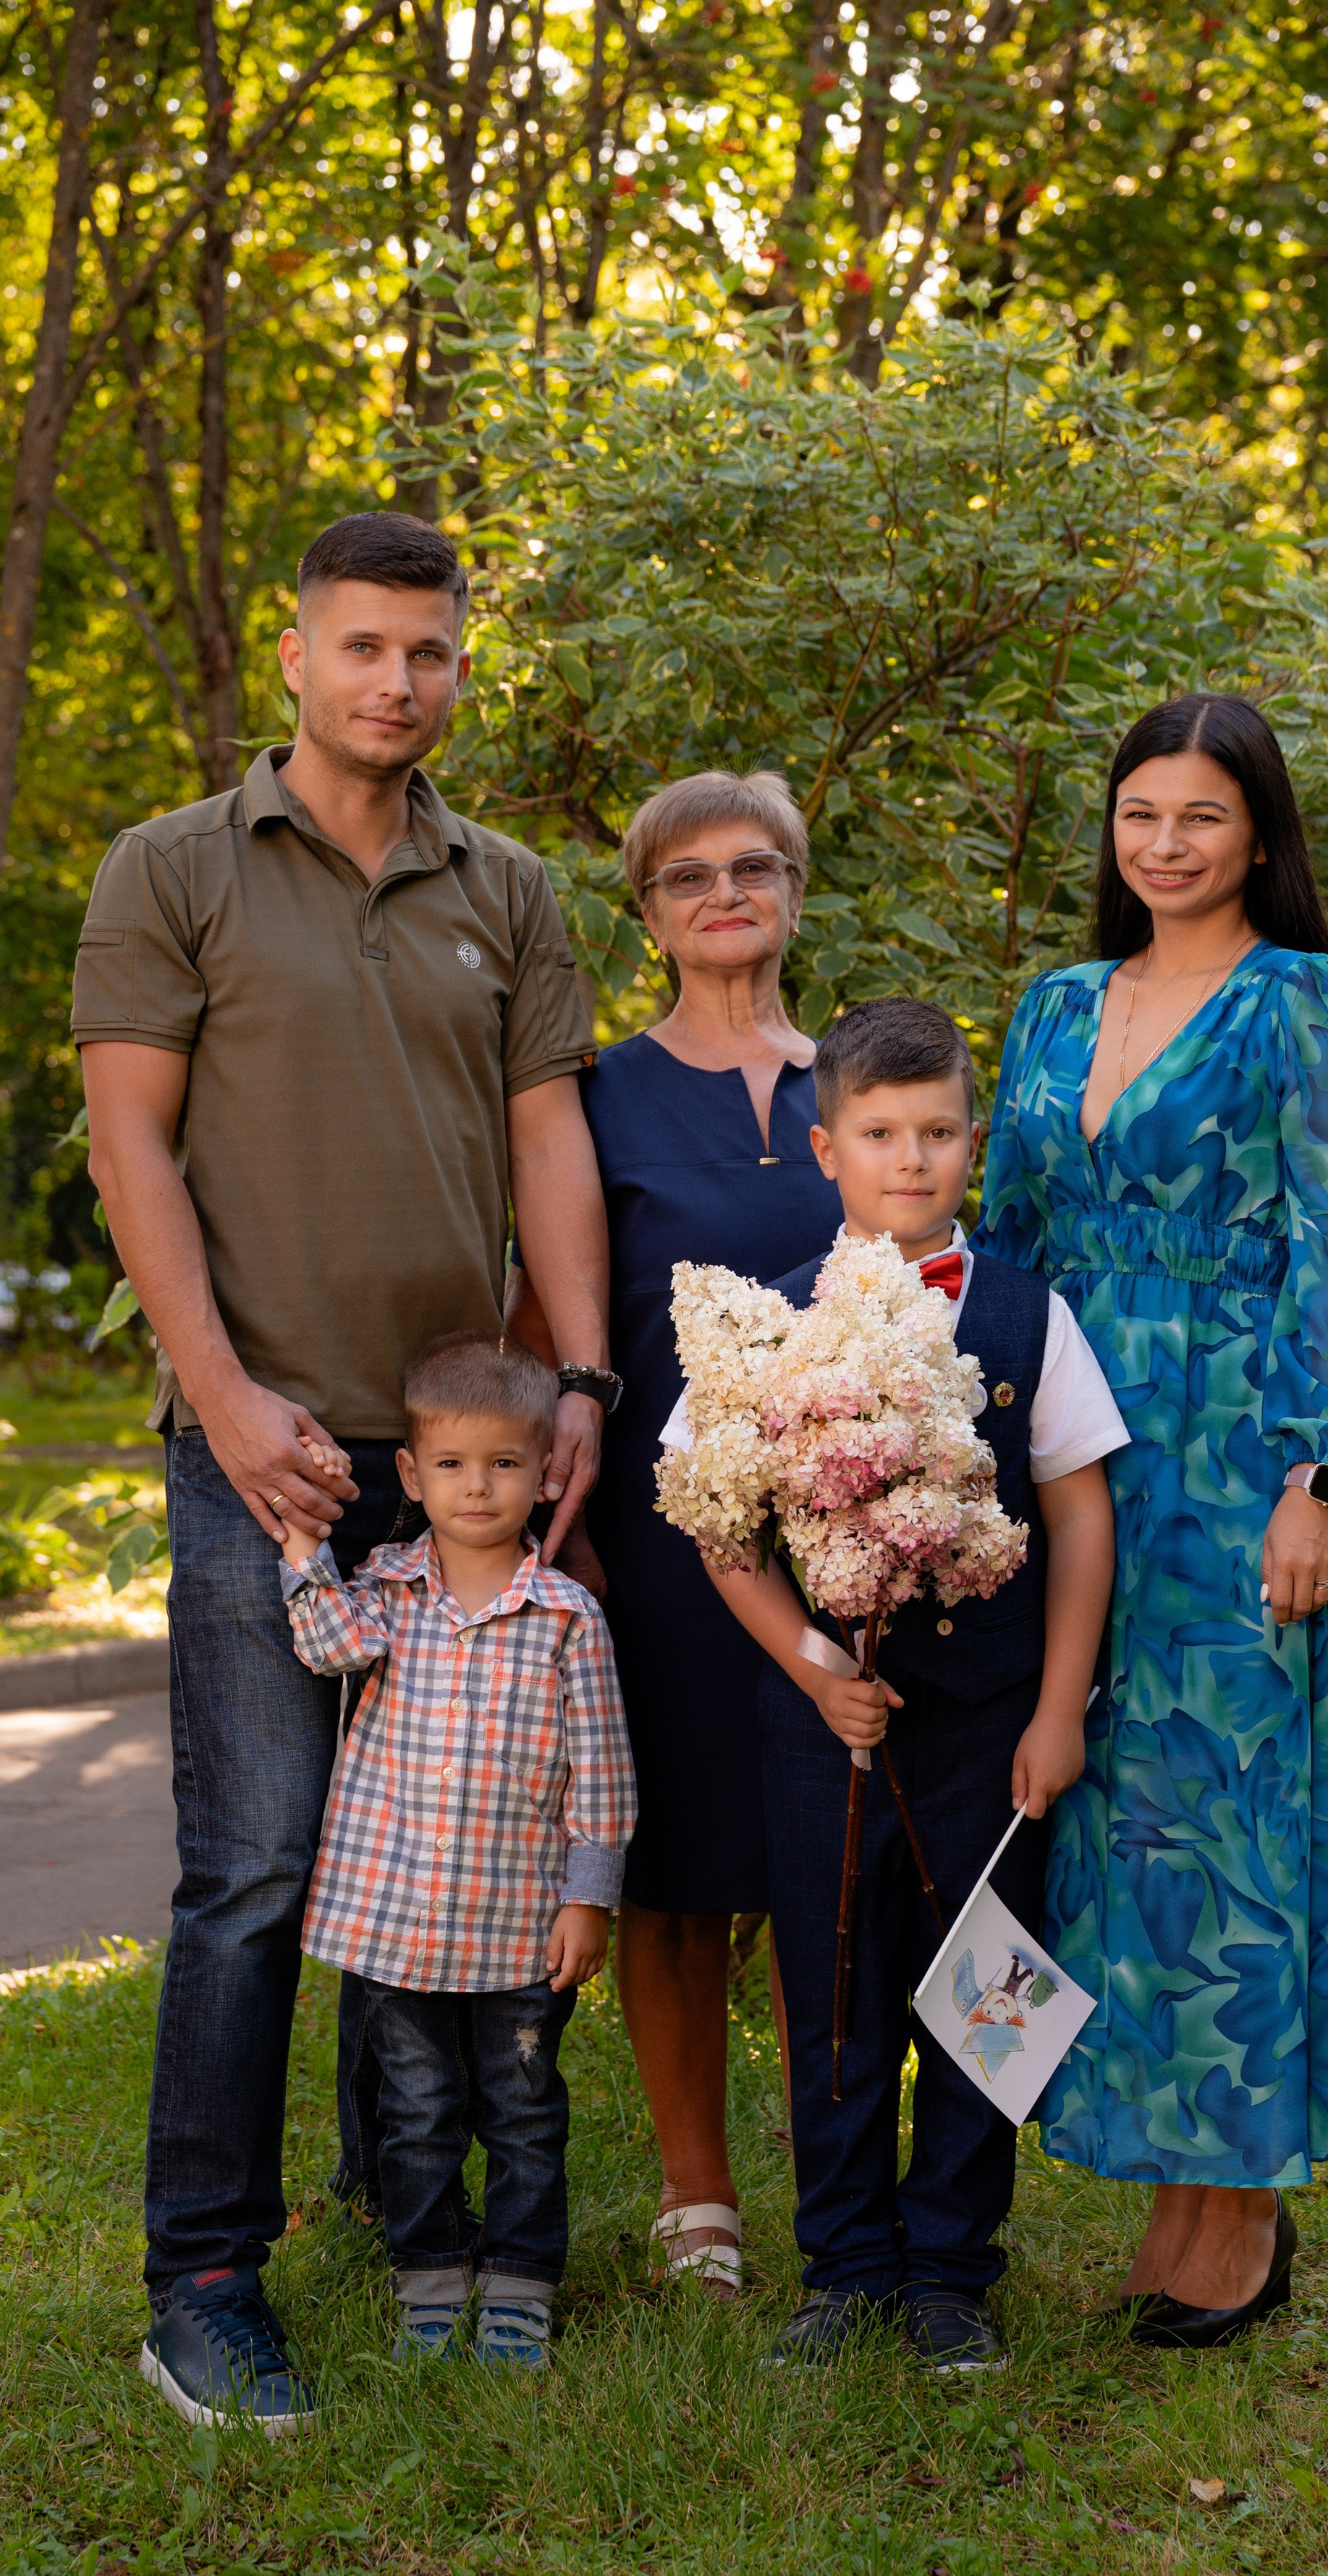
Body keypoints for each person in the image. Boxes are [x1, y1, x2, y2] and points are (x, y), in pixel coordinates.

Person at [73, 512, 617, 2429]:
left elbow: (549, 1145)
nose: (400, 682)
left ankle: (420, 2222)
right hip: (270, 1454)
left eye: (433, 654)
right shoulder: (174, 875)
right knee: (260, 1873)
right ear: (290, 657)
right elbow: (133, 1155)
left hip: (468, 1455)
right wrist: (221, 1399)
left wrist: (578, 1390)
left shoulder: (513, 890)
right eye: (367, 648)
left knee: (452, 1862)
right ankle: (202, 2280)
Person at [973, 689, 1328, 2350]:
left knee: (1221, 1818)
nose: (1162, 843)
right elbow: (1000, 1238)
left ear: (1259, 837)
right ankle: (1163, 2180)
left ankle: (1239, 2207)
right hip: (1068, 1451)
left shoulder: (1301, 1003)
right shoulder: (1056, 1003)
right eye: (1137, 812)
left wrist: (1320, 1479)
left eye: (1199, 816)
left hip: (1234, 1459)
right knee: (1093, 1817)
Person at [701, 997, 1129, 2373]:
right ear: (826, 1148)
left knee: (984, 1993)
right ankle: (845, 2268)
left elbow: (1079, 1516)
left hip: (990, 1729)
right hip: (821, 1726)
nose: (911, 1160)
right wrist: (816, 1669)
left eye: (939, 1133)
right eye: (881, 1135)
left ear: (973, 1147)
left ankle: (953, 2270)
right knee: (834, 1992)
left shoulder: (1025, 1315)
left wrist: (1059, 1708)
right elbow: (720, 1530)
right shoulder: (767, 1327)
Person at [508, 770, 842, 2300]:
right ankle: (695, 2195)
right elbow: (550, 1317)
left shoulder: (856, 1082)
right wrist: (552, 1523)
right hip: (657, 1538)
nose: (725, 891)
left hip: (851, 1534)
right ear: (644, 912)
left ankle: (839, 2176)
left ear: (792, 890)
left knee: (826, 1860)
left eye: (753, 865)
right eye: (688, 874)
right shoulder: (599, 1094)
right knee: (673, 1865)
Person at [260, 1334, 635, 2382]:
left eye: (507, 1465)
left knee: (521, 2107)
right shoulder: (388, 1589)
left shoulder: (567, 1619)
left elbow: (602, 1773)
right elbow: (325, 1643)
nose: (479, 1488)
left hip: (520, 1925)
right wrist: (301, 1548)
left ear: (544, 1474)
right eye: (456, 1466)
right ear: (414, 1477)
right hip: (397, 1921)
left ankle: (518, 2282)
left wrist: (589, 1901)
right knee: (416, 2113)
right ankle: (428, 2277)